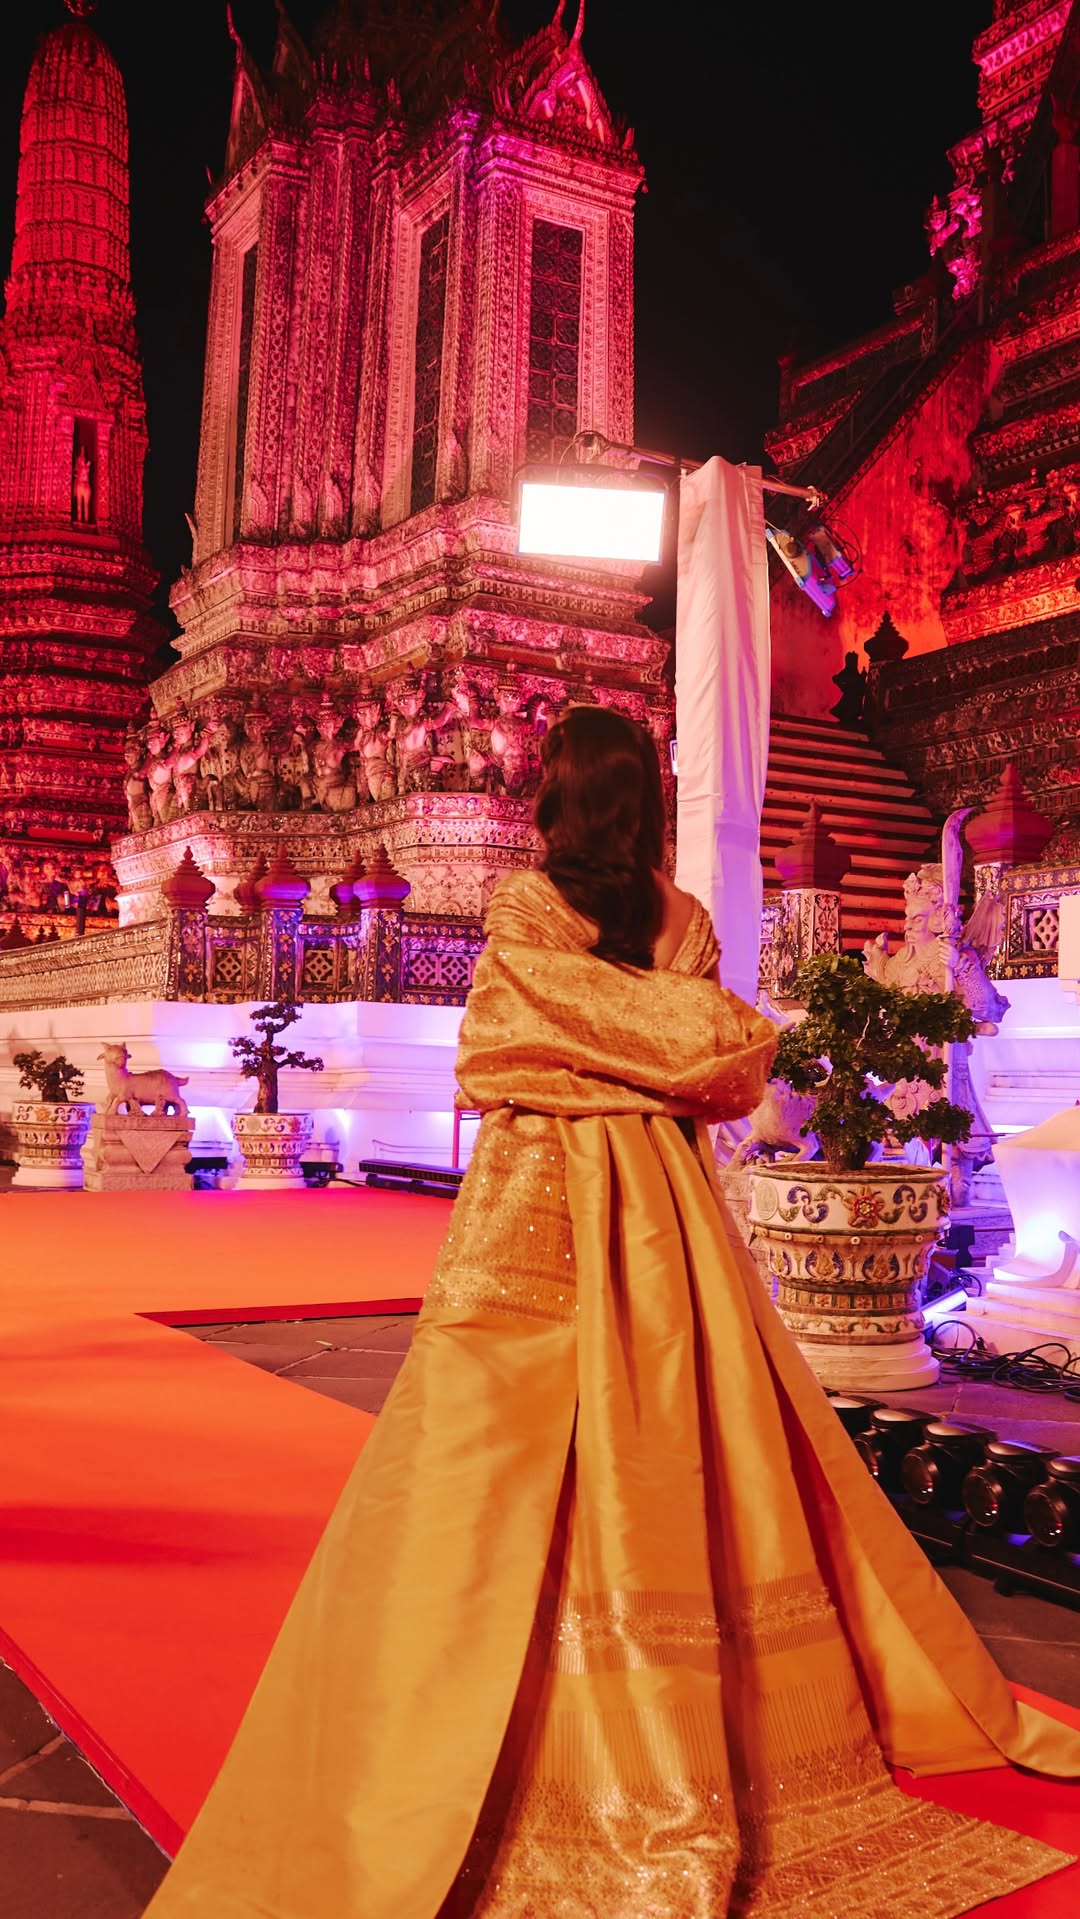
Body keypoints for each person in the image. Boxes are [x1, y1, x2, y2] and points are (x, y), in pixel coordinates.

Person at [146, 706, 1080, 1919]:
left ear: (561, 793)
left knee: (503, 1445)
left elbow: (548, 1042)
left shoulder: (534, 908)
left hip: (545, 1190)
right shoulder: (672, 925)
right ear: (640, 796)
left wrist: (595, 1045)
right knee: (672, 1419)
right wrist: (661, 1046)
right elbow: (651, 1046)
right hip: (658, 1197)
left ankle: (513, 1719)